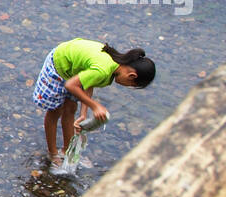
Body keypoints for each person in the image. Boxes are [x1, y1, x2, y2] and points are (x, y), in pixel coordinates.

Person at [32, 38, 154, 167]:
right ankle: (53, 154)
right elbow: (70, 85)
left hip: (74, 68)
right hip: (58, 64)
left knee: (71, 108)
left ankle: (68, 152)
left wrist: (83, 114)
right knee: (55, 111)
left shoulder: (115, 63)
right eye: (130, 85)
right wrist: (95, 106)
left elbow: (88, 84)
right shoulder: (103, 70)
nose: (126, 86)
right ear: (131, 76)